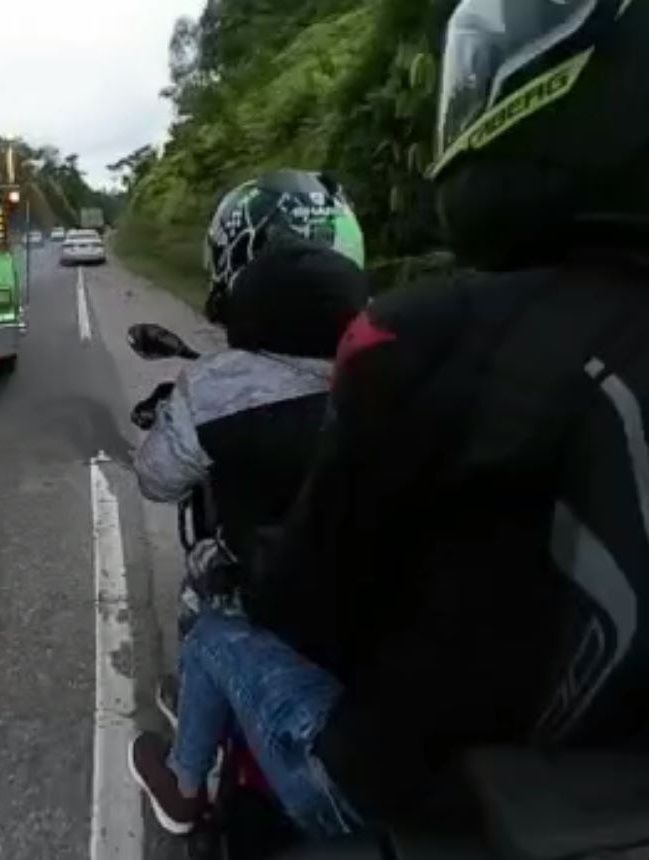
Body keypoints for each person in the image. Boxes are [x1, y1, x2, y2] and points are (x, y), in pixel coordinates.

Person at [130, 0, 649, 841]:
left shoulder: (418, 339)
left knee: (221, 628)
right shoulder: (383, 343)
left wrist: (243, 579)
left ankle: (186, 786)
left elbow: (304, 588)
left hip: (420, 773)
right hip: (591, 763)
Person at [132, 170, 368, 568]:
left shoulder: (212, 388)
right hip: (393, 600)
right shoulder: (408, 343)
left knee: (206, 593)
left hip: (268, 605)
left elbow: (156, 479)